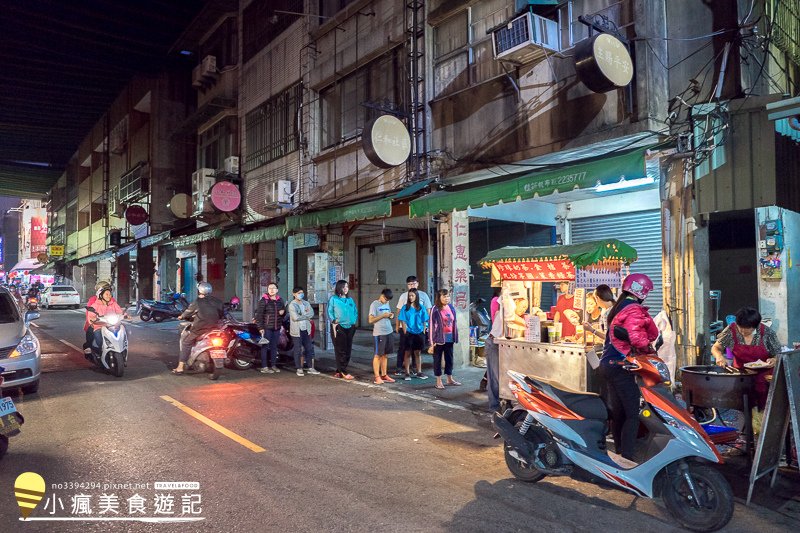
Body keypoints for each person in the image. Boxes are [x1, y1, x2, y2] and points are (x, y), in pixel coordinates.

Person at [599, 274, 659, 461]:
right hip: (621, 365)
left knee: (619, 412)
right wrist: (648, 347)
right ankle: (628, 457)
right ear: (642, 292)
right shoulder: (633, 308)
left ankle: (619, 452)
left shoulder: (618, 307)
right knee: (632, 413)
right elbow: (636, 337)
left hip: (608, 364)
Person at [711, 306, 780, 411]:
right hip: (741, 375)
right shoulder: (731, 330)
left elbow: (778, 354)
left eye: (747, 331)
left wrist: (774, 360)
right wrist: (719, 356)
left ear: (755, 326)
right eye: (740, 329)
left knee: (763, 409)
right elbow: (716, 347)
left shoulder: (767, 333)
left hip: (763, 377)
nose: (742, 332)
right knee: (742, 407)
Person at [173, 282, 224, 374]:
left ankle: (180, 367)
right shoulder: (218, 302)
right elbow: (221, 314)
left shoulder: (197, 302)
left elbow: (187, 313)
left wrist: (181, 316)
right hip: (214, 328)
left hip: (200, 329)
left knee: (186, 342)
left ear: (200, 291)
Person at [394, 276, 432, 375]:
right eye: (410, 284)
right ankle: (399, 368)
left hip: (419, 329)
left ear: (418, 284)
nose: (412, 285)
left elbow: (428, 311)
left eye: (414, 283)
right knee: (403, 348)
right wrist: (397, 325)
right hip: (406, 329)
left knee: (417, 350)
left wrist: (426, 327)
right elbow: (398, 311)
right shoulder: (403, 296)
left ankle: (415, 368)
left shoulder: (423, 295)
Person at [428, 289, 461, 390]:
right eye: (444, 296)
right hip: (438, 339)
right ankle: (438, 381)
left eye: (448, 296)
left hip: (450, 338)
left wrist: (455, 335)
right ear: (439, 298)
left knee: (449, 359)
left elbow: (454, 322)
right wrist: (431, 342)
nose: (447, 298)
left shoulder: (451, 307)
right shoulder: (435, 308)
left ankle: (449, 379)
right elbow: (431, 325)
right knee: (437, 360)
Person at [327, 280, 358, 380]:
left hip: (350, 327)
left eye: (347, 287)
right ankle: (343, 371)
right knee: (340, 350)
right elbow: (330, 311)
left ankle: (339, 370)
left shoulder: (350, 300)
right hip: (339, 327)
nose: (346, 289)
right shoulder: (333, 299)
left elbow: (355, 311)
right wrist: (334, 320)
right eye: (343, 287)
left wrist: (353, 321)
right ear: (339, 288)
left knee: (348, 349)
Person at [287, 286, 320, 376]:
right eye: (298, 293)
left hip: (306, 329)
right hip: (296, 331)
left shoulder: (306, 303)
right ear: (294, 294)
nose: (301, 295)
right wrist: (306, 316)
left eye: (302, 293)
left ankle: (310, 367)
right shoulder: (292, 305)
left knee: (309, 348)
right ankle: (299, 368)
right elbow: (295, 317)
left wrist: (303, 315)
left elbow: (312, 313)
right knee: (298, 349)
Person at [398, 288, 429, 380]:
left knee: (418, 353)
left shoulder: (421, 307)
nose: (411, 297)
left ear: (416, 296)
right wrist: (405, 331)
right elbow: (402, 320)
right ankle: (407, 373)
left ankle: (419, 372)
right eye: (409, 296)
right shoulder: (405, 308)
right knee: (407, 352)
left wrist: (423, 331)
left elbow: (424, 321)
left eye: (412, 295)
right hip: (409, 333)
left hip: (419, 333)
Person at [255, 282, 285, 374]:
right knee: (265, 346)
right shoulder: (264, 300)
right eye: (270, 288)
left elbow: (283, 312)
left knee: (274, 347)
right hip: (267, 328)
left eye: (273, 288)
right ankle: (264, 366)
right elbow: (259, 315)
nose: (271, 290)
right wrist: (260, 327)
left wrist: (283, 312)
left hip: (276, 328)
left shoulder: (280, 300)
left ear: (277, 290)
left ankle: (273, 365)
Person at [86, 284, 126, 354]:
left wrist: (125, 315)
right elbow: (91, 316)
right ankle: (101, 349)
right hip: (100, 326)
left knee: (123, 329)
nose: (109, 296)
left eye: (110, 294)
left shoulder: (113, 304)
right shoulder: (94, 305)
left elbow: (120, 311)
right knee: (97, 334)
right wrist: (93, 320)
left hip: (113, 325)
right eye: (106, 294)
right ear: (100, 295)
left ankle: (122, 347)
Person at [369, 288, 396, 385]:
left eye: (388, 300)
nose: (387, 301)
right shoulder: (374, 304)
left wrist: (390, 315)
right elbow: (370, 320)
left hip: (389, 331)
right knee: (378, 355)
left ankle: (384, 375)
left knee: (385, 355)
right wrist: (383, 316)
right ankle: (377, 376)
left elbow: (387, 314)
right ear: (382, 296)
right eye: (386, 299)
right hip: (379, 333)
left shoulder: (387, 303)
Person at [485, 291, 505, 413]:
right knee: (494, 377)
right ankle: (494, 406)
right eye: (522, 305)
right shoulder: (503, 313)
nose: (523, 308)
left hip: (500, 344)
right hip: (493, 343)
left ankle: (501, 404)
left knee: (499, 376)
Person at [84, 280, 111, 351]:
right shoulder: (93, 300)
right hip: (96, 323)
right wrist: (92, 321)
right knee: (92, 332)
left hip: (109, 323)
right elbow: (89, 314)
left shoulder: (111, 299)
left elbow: (117, 309)